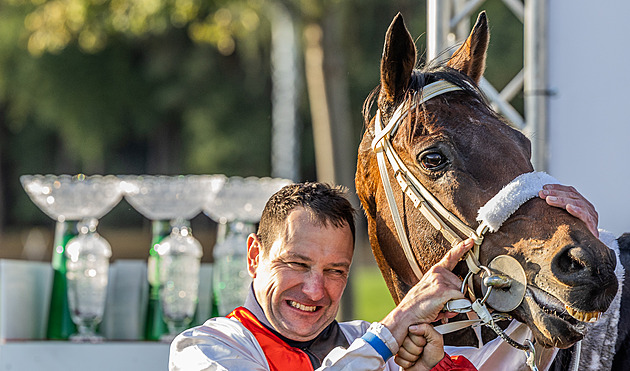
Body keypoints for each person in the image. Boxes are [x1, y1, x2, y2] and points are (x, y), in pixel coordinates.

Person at [168, 182, 600, 371]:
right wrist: (396, 323)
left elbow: (513, 362)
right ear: (254, 256)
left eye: (335, 271)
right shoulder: (203, 349)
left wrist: (576, 255)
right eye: (296, 265)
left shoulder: (382, 350)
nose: (315, 290)